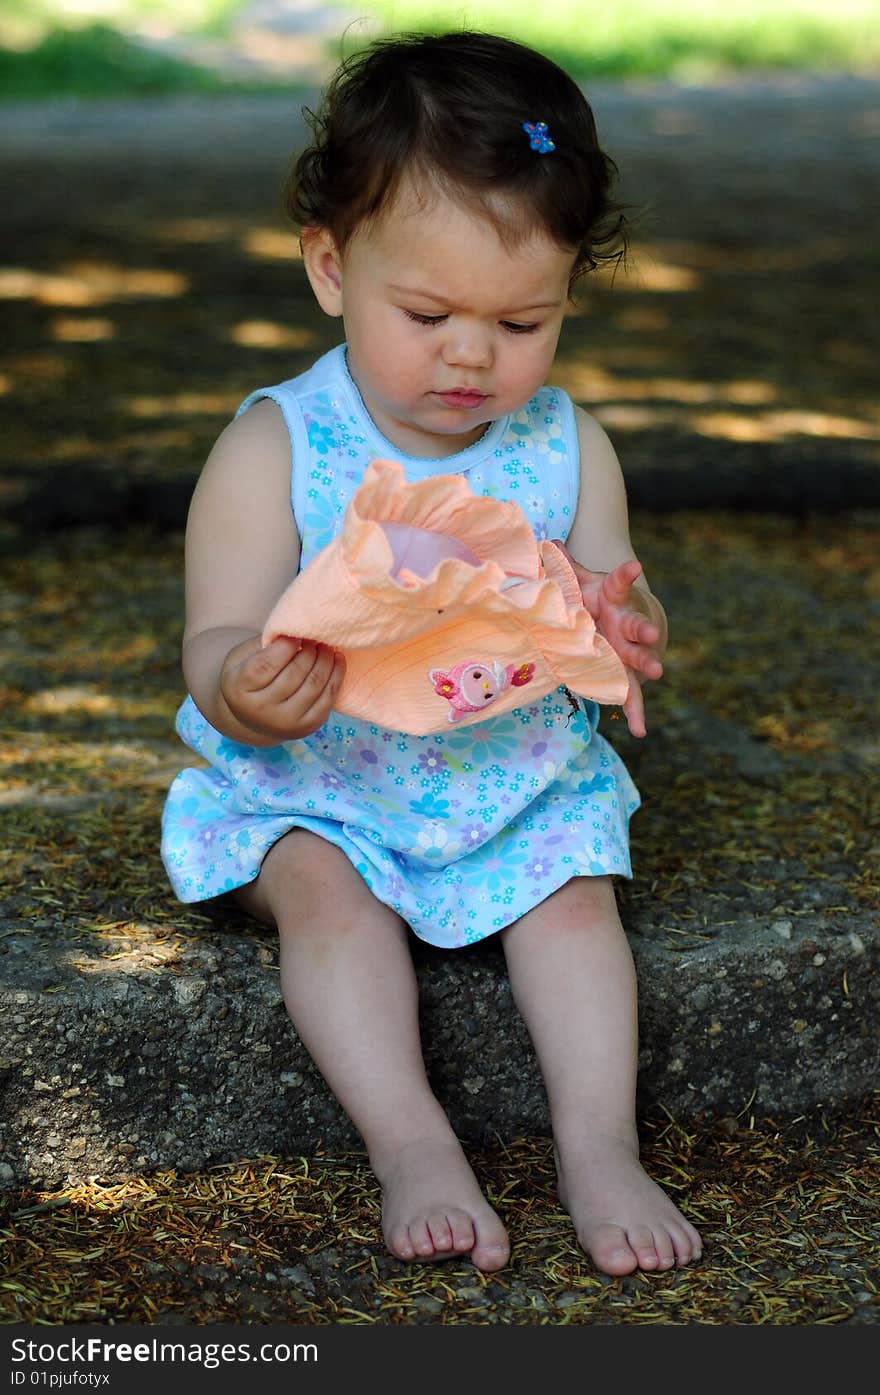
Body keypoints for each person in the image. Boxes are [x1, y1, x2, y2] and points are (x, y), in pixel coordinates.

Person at [161, 29, 703, 1277]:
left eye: (524, 320)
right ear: (330, 268)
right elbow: (216, 639)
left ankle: (599, 1146)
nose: (472, 355)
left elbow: (612, 589)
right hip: (324, 782)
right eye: (427, 313)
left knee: (573, 902)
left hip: (507, 768)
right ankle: (410, 1142)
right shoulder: (276, 447)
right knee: (324, 898)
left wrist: (626, 628)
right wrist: (246, 687)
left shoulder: (566, 446)